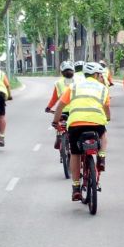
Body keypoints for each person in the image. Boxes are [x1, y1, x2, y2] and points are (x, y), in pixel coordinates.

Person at [52, 62, 110, 201]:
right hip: (96, 123)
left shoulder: (73, 86)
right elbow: (106, 108)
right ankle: (101, 157)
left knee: (75, 153)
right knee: (103, 134)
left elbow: (60, 105)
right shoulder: (102, 88)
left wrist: (55, 121)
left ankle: (76, 187)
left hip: (76, 124)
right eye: (100, 74)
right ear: (96, 75)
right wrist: (107, 117)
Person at [45, 60, 74, 149]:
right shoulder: (79, 82)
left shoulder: (58, 83)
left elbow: (54, 98)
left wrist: (49, 107)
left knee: (57, 122)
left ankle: (59, 137)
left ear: (61, 72)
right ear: (73, 71)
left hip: (63, 111)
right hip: (76, 110)